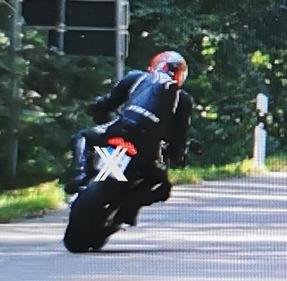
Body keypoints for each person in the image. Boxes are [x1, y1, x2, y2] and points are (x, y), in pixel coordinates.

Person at [64, 51, 194, 224]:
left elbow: (107, 102)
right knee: (162, 186)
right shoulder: (182, 98)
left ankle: (80, 173)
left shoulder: (136, 77)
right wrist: (177, 156)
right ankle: (129, 209)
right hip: (148, 145)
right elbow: (179, 135)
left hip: (120, 128)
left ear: (155, 64)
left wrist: (97, 110)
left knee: (83, 136)